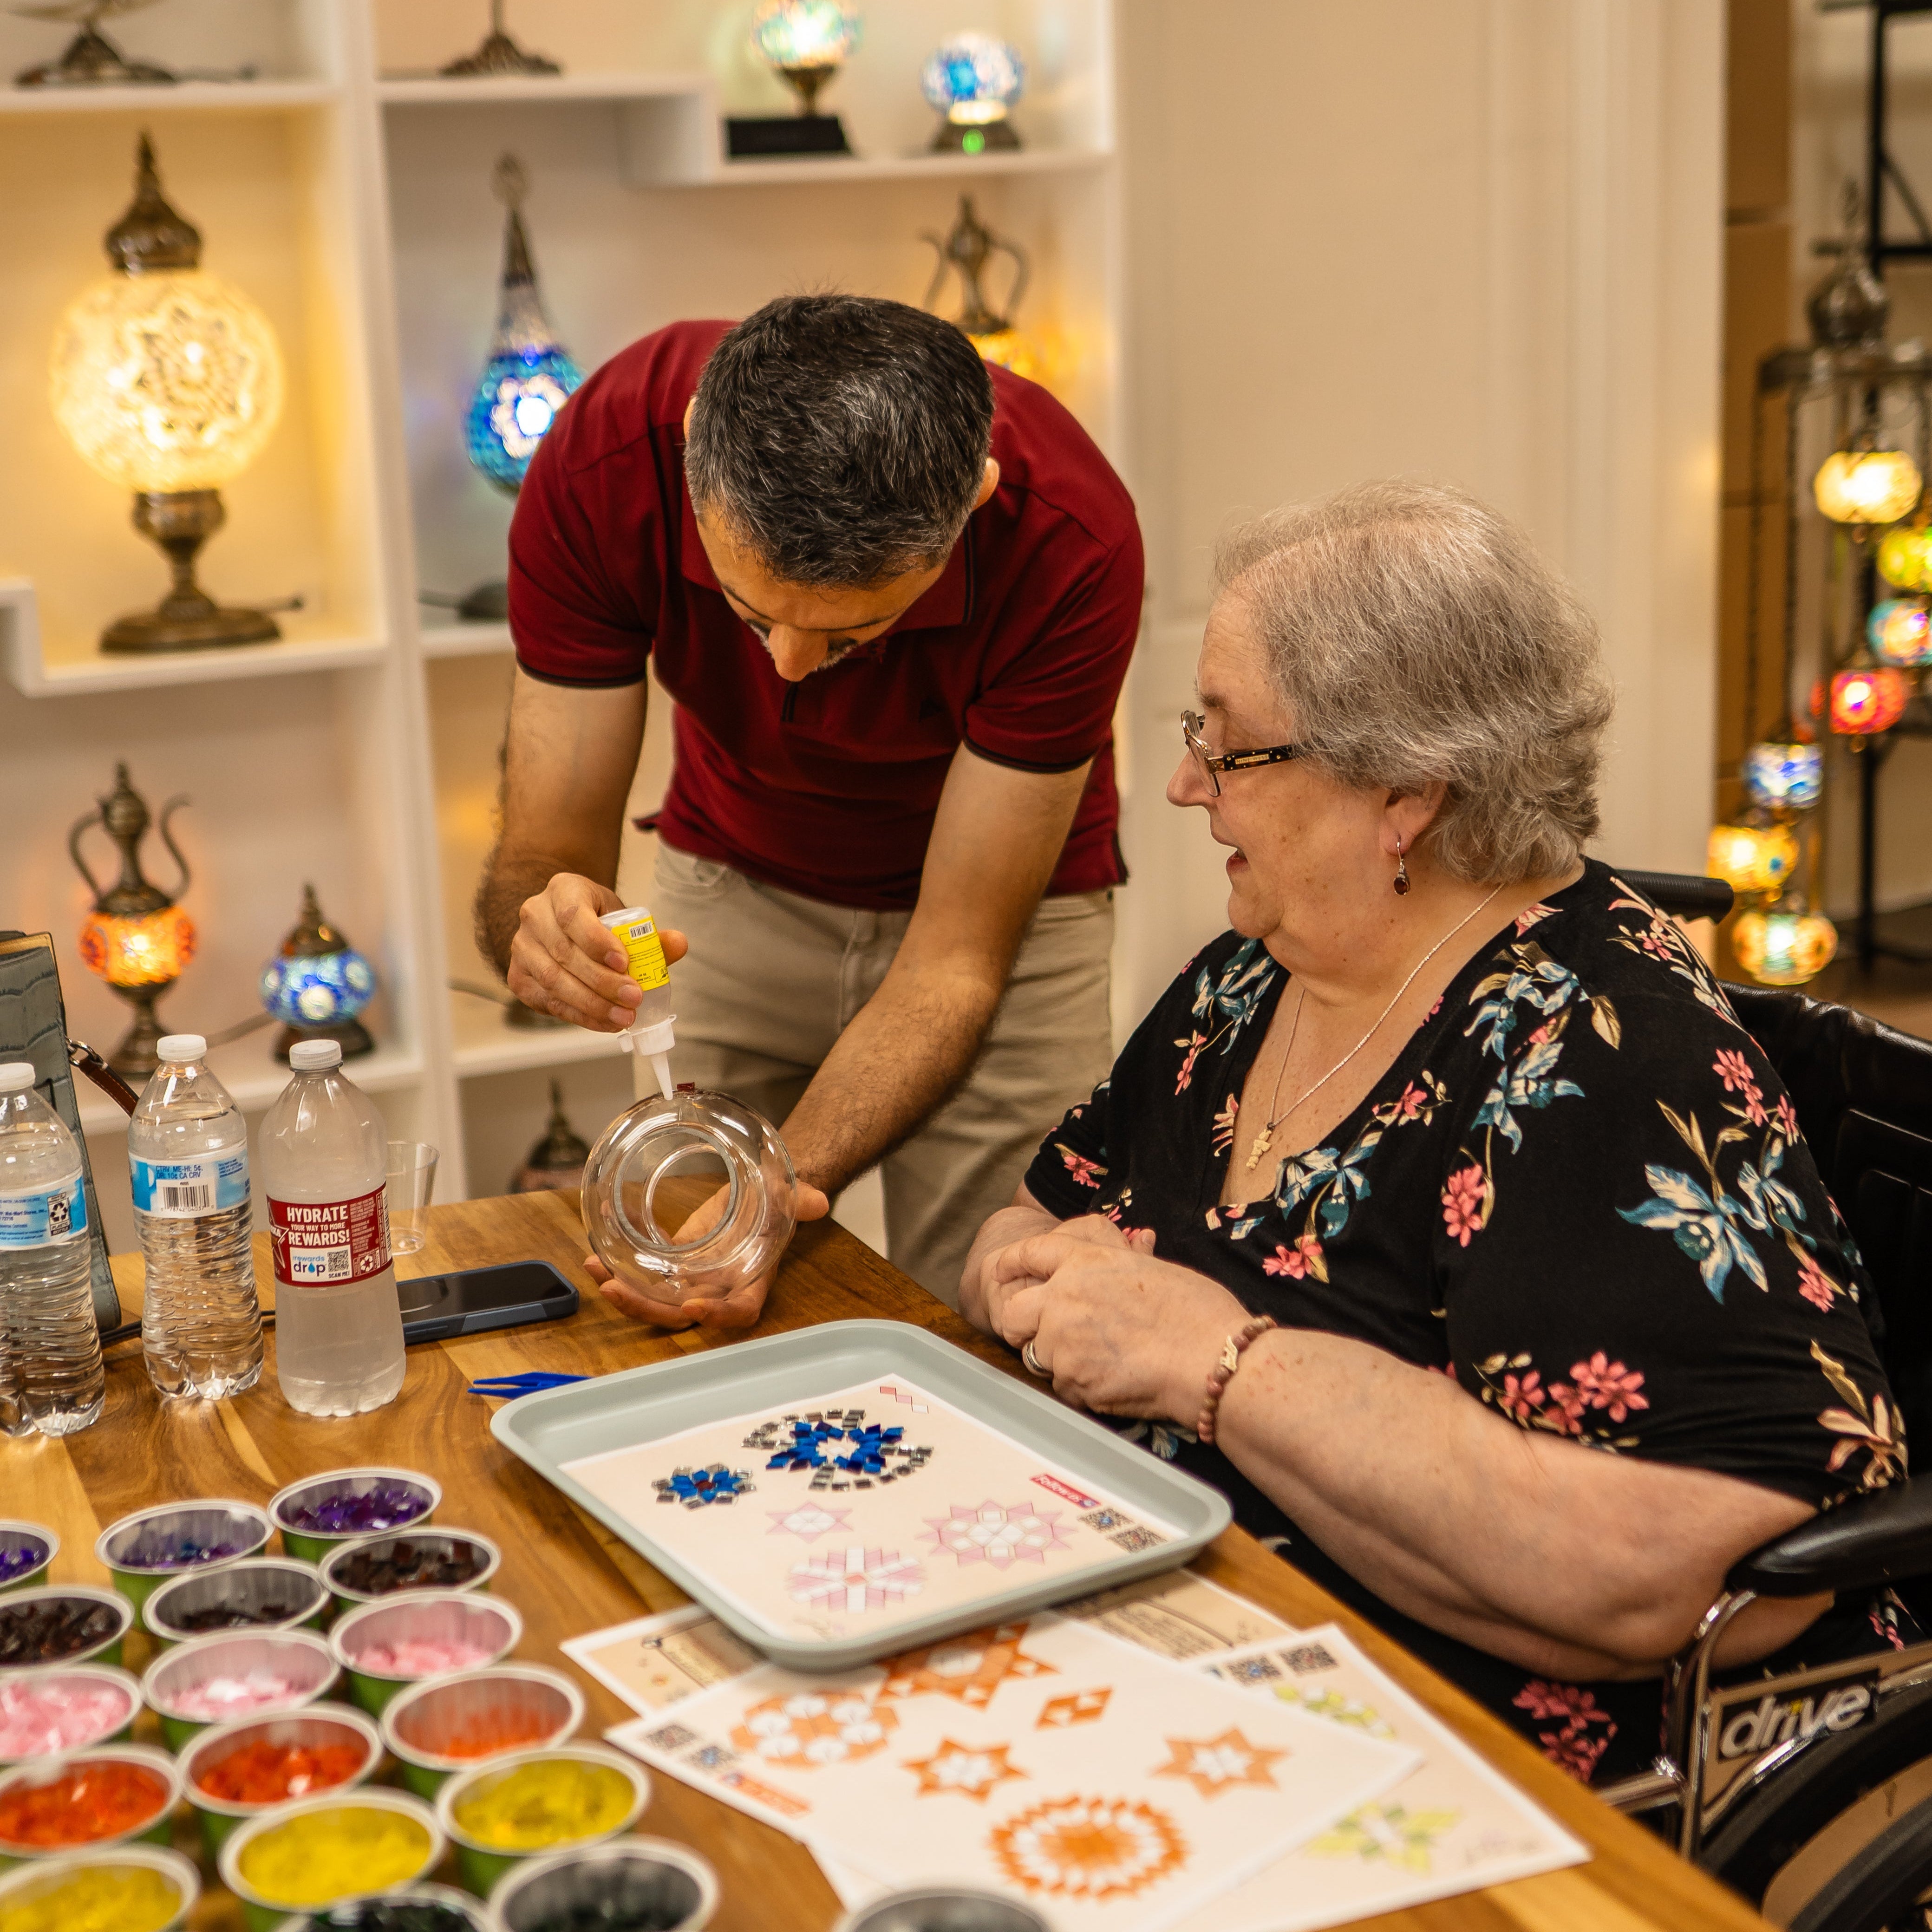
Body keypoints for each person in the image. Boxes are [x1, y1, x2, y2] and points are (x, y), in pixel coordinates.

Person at [960, 480, 1913, 1787]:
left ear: (1402, 793)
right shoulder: (1252, 973)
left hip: (1469, 1753)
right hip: (1182, 1628)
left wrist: (1213, 1361)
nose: (1185, 783)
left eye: (1227, 747)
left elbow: (1696, 1560)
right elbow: (1034, 1213)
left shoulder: (1593, 1061)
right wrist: (1030, 1277)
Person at [478, 295, 1142, 1324]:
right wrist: (546, 924)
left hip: (1010, 926)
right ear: (696, 446)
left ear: (974, 499)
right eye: (750, 615)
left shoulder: (1073, 538)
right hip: (735, 884)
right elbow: (545, 853)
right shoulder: (607, 455)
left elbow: (955, 962)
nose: (790, 671)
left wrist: (772, 1190)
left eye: (851, 632)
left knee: (1000, 1317)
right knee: (688, 1276)